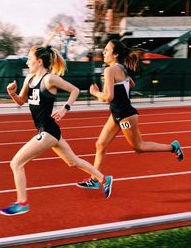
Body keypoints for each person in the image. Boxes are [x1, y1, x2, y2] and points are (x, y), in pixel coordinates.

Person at [0, 45, 113, 216]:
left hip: (48, 132)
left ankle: (22, 203)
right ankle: (104, 179)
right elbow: (21, 101)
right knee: (73, 161)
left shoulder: (49, 79)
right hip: (48, 130)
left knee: (16, 163)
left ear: (39, 61)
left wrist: (65, 108)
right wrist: (11, 93)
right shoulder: (29, 78)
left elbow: (74, 90)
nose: (27, 62)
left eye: (30, 59)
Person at [76, 39, 184, 190]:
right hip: (116, 114)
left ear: (116, 54)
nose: (104, 52)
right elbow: (131, 84)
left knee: (138, 147)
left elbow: (108, 98)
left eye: (107, 50)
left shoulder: (110, 70)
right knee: (100, 144)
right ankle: (95, 179)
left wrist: (94, 93)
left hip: (125, 116)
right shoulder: (120, 69)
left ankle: (173, 147)